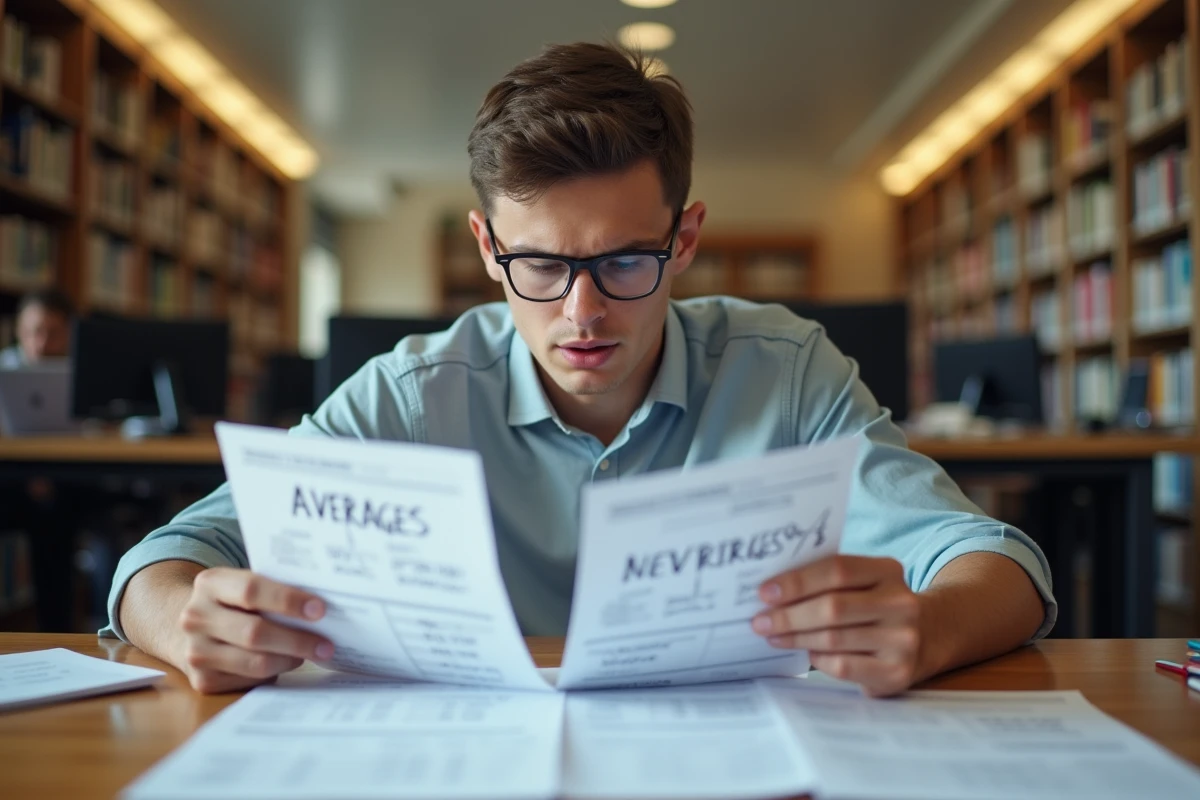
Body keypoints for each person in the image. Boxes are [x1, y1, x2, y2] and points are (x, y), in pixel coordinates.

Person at [104, 43, 1055, 696]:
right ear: (486, 247)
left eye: (623, 262)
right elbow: (164, 561)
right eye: (542, 265)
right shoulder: (409, 389)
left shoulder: (788, 368)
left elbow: (998, 566)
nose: (582, 311)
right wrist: (191, 617)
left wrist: (925, 630)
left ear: (685, 239)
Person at [1, 288, 77, 630]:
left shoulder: (83, 374)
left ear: (69, 333)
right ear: (18, 331)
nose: (41, 343)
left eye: (52, 332)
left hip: (68, 482)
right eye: (33, 331)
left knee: (55, 520)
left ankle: (57, 629)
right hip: (12, 483)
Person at [0, 288, 73, 368]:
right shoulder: (4, 365)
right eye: (36, 332)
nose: (43, 344)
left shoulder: (80, 367)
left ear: (69, 334)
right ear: (19, 330)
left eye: (53, 334)